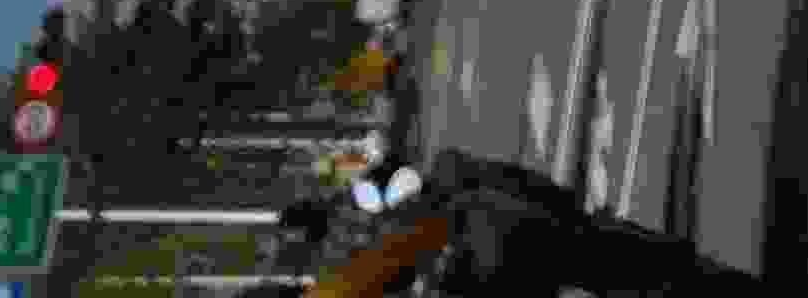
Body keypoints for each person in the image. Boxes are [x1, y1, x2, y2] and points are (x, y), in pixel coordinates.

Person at [304, 146, 760, 296]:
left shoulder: (339, 272)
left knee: (612, 264)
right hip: (498, 226)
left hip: (484, 263)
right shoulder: (385, 196)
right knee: (622, 257)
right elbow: (480, 177)